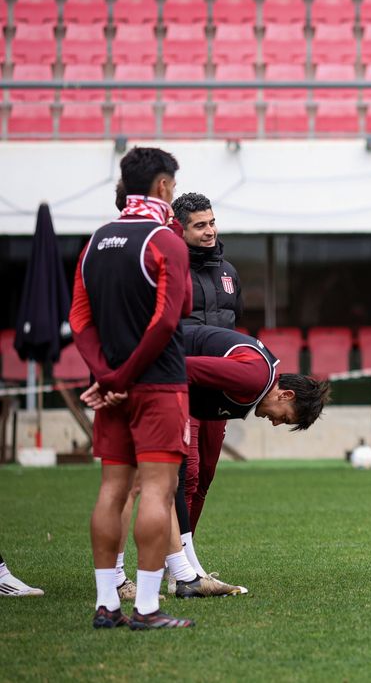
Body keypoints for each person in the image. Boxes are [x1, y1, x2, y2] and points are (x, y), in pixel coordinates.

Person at [81, 325, 329, 597]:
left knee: (163, 483)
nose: (276, 423)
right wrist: (120, 383)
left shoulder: (256, 385)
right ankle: (116, 583)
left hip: (138, 375)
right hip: (134, 376)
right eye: (285, 417)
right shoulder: (253, 378)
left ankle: (185, 576)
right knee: (130, 484)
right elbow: (179, 367)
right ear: (286, 395)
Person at [69, 146, 195, 630]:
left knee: (112, 491)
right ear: (163, 186)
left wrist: (105, 375)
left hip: (113, 388)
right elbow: (168, 320)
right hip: (158, 385)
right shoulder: (167, 242)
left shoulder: (95, 241)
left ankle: (106, 604)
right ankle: (145, 608)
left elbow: (79, 320)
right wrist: (124, 376)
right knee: (158, 493)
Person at [170, 191, 244, 590]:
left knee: (208, 474)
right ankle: (180, 565)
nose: (209, 231)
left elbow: (235, 324)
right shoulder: (170, 269)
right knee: (188, 474)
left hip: (219, 389)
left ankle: (185, 562)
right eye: (200, 225)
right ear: (180, 230)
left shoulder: (228, 271)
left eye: (212, 222)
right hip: (182, 385)